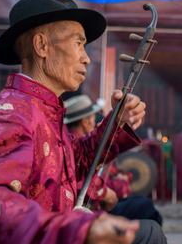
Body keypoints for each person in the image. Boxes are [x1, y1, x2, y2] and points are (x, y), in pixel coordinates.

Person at [0, 0, 170, 244]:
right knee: (148, 237)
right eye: (78, 43)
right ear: (42, 45)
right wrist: (73, 234)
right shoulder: (12, 114)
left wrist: (117, 123)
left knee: (148, 234)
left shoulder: (44, 111)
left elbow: (78, 160)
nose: (85, 58)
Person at [64, 94, 163, 225]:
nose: (95, 122)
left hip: (101, 199)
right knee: (144, 207)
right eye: (93, 117)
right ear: (85, 121)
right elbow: (81, 179)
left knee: (142, 204)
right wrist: (108, 189)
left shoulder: (79, 143)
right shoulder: (75, 145)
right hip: (91, 209)